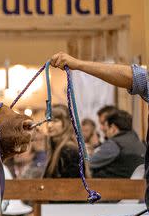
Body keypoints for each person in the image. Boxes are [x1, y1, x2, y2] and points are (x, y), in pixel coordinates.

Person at [50, 52, 148, 206]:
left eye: (55, 120)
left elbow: (137, 78)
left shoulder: (114, 144)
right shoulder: (134, 138)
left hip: (113, 200)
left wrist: (78, 64)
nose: (50, 125)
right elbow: (138, 78)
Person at [89, 110, 145, 178]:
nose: (103, 130)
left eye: (106, 128)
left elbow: (89, 163)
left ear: (113, 128)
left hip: (110, 186)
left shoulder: (114, 144)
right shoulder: (141, 144)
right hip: (137, 186)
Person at [43, 104, 85, 179]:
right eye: (48, 120)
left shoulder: (69, 150)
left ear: (66, 123)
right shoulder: (56, 147)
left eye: (55, 121)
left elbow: (72, 185)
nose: (49, 125)